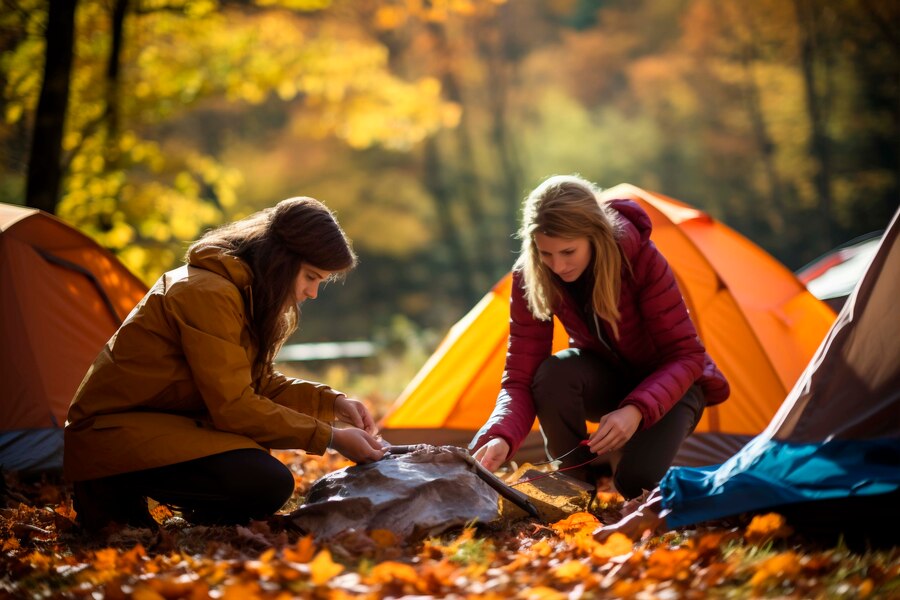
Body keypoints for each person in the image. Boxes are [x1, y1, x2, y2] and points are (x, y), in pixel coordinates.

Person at [64, 197, 386, 530]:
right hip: (109, 431)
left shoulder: (241, 292)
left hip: (157, 422)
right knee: (264, 480)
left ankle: (185, 509)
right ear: (282, 260)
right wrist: (330, 437)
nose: (313, 293)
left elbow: (258, 383)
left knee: (258, 468)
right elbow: (234, 406)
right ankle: (108, 487)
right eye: (310, 277)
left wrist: (333, 402)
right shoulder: (208, 293)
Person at [470, 175, 730, 499]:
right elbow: (520, 376)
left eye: (568, 251)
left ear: (595, 235)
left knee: (637, 484)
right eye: (546, 253)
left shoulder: (642, 261)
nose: (557, 266)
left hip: (675, 387)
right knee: (553, 373)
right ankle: (574, 490)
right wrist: (501, 436)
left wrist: (635, 410)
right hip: (608, 380)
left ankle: (657, 481)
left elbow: (687, 356)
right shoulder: (533, 273)